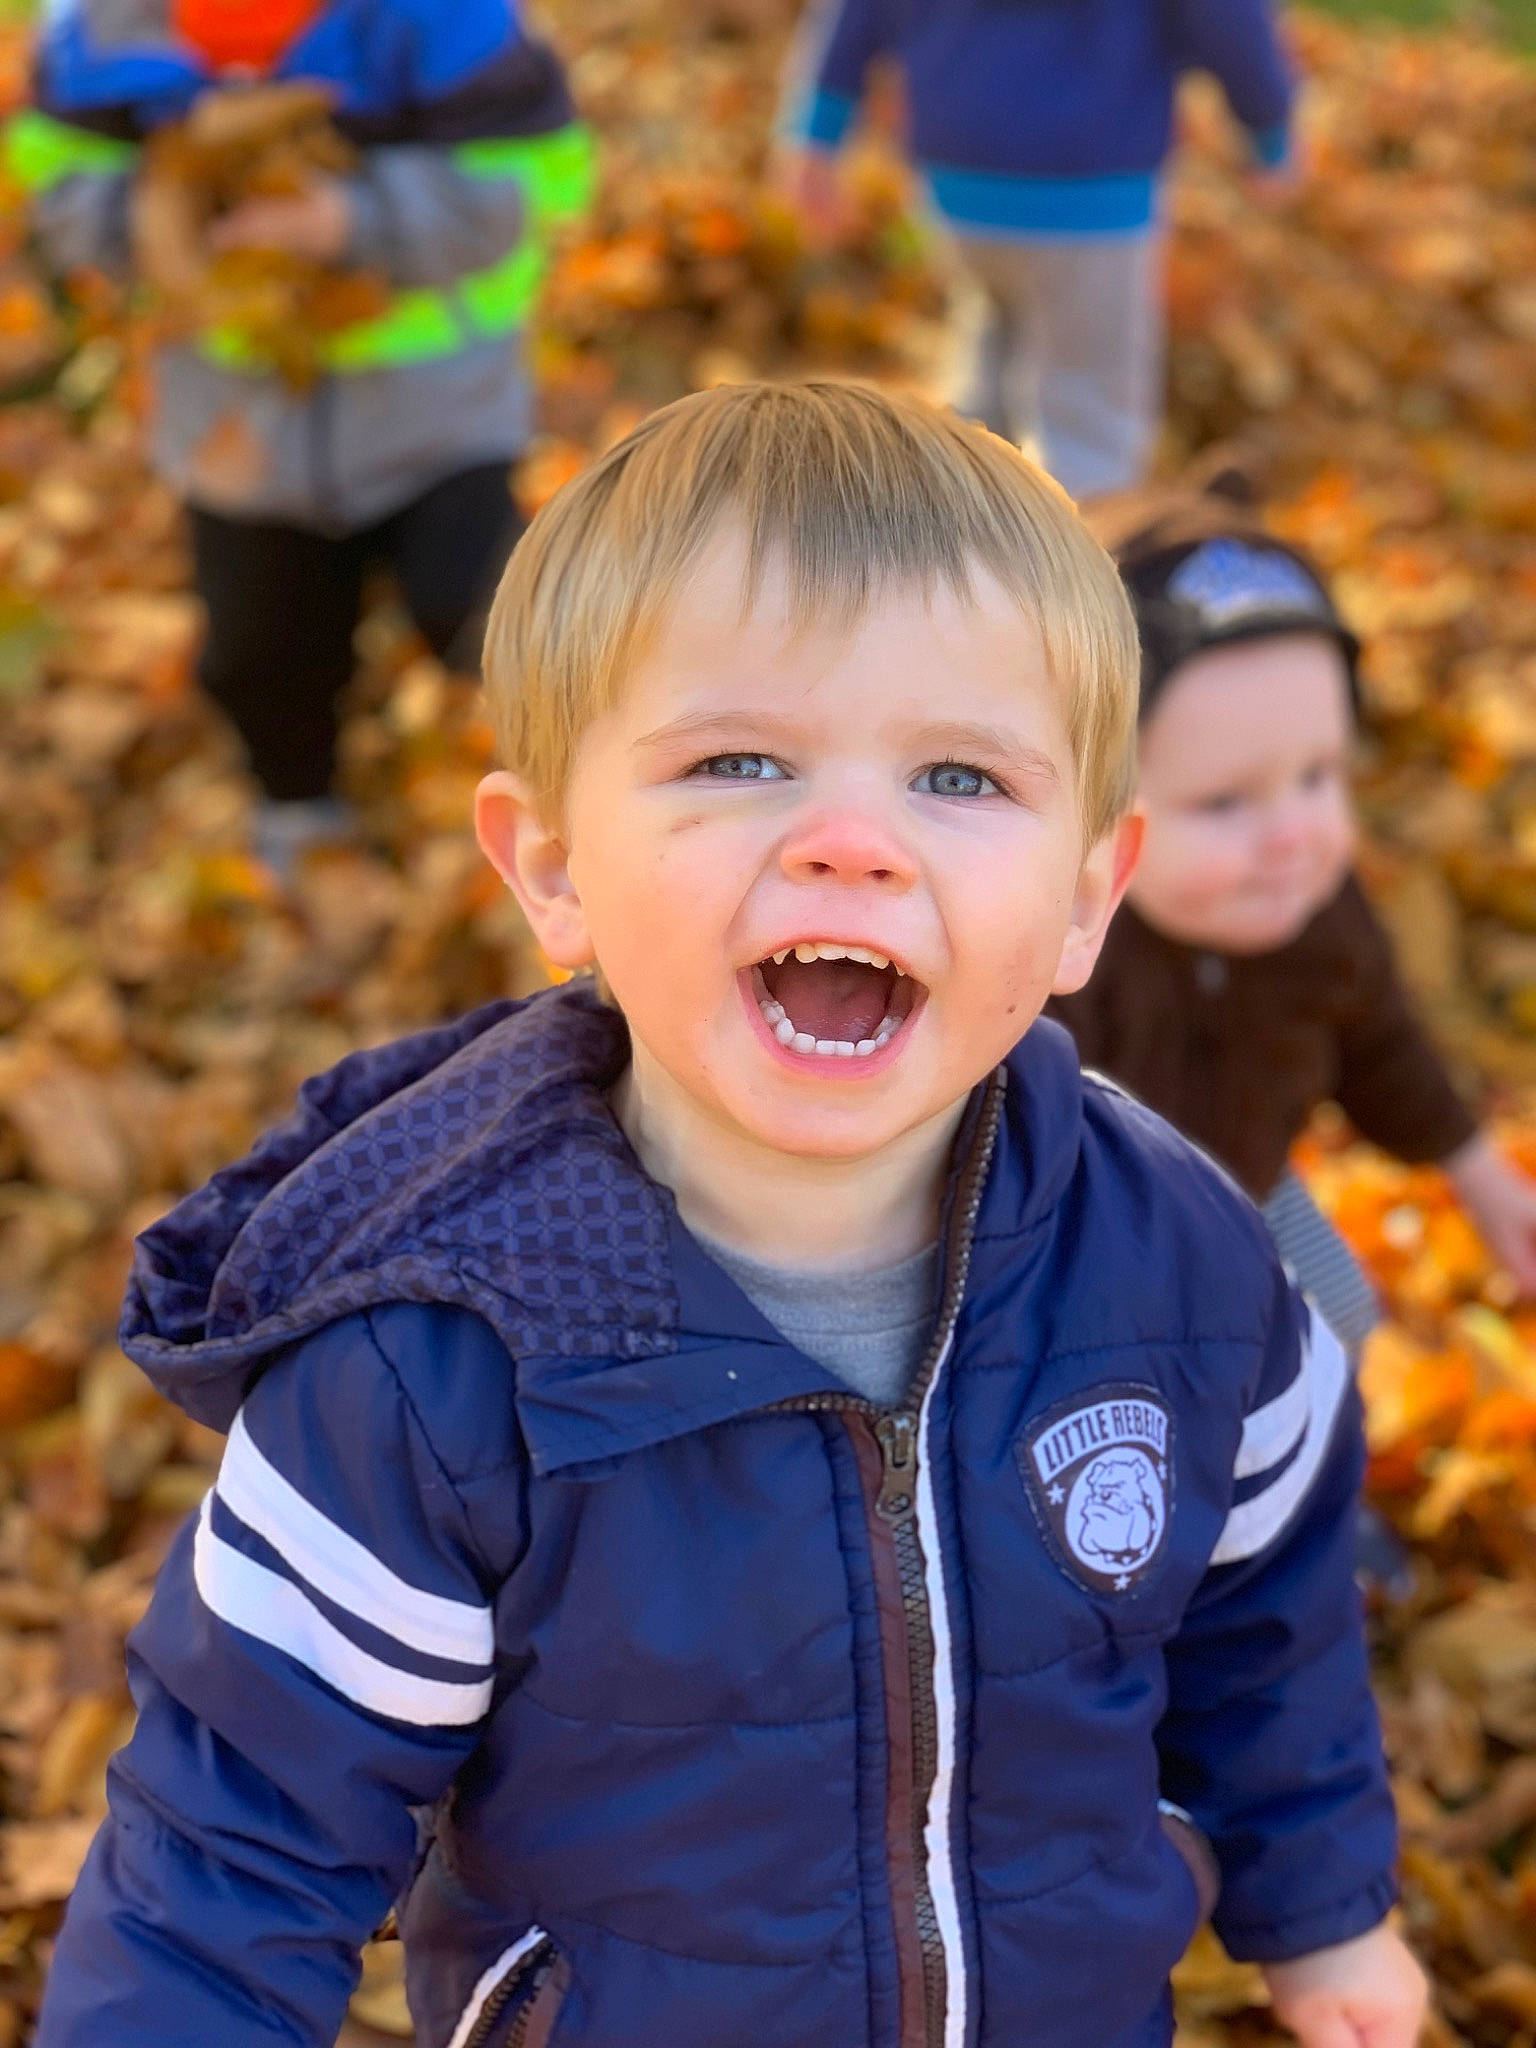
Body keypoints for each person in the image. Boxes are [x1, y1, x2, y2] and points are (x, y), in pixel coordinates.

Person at [38, 385, 1424, 2048]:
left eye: (959, 776)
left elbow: (1268, 1612)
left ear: (1082, 897)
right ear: (553, 866)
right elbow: (237, 1839)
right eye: (739, 761)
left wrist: (1323, 1905)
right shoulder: (436, 1362)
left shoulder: (1175, 1260)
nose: (852, 844)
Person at [9, 0, 592, 873]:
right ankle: (299, 808)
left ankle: (550, 792)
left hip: (437, 413)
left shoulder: (447, 22)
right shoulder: (102, 30)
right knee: (261, 649)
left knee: (478, 609)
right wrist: (167, 213)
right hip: (240, 435)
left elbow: (536, 182)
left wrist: (346, 220)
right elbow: (55, 181)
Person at [1050, 490, 1536, 1353]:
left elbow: (1380, 1042)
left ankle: (1314, 1435)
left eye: (1318, 777)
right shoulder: (1060, 958)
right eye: (1224, 802)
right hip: (1072, 1240)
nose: (1291, 838)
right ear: (1085, 811)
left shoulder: (1320, 911)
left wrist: (1473, 1168)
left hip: (1246, 1185)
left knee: (1337, 1320)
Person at [775, 0, 1295, 500]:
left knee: (991, 350)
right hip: (1091, 189)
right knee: (1087, 419)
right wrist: (1269, 130)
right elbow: (1228, 17)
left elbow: (856, 12)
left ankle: (953, 518)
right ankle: (1085, 542)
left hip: (958, 182)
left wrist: (817, 133)